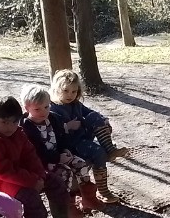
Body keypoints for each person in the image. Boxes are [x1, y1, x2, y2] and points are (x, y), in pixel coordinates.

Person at [0, 96, 83, 218]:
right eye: (4, 122)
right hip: (3, 184)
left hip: (26, 176)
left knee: (56, 183)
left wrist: (40, 175)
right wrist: (32, 181)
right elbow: (3, 171)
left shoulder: (18, 133)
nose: (10, 127)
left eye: (14, 122)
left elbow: (31, 155)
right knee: (32, 200)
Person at [20, 84, 106, 218]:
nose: (43, 112)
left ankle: (88, 198)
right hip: (42, 163)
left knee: (81, 164)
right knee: (65, 173)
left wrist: (66, 150)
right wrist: (57, 157)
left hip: (60, 155)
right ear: (27, 108)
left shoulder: (53, 118)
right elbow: (36, 152)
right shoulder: (26, 127)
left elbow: (62, 137)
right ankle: (67, 206)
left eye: (47, 107)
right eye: (37, 109)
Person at [50, 69, 128, 204]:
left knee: (95, 117)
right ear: (57, 89)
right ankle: (103, 191)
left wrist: (104, 122)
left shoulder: (75, 104)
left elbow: (91, 113)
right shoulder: (53, 108)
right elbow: (51, 130)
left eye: (74, 91)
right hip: (70, 144)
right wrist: (67, 126)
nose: (70, 95)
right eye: (66, 91)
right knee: (98, 152)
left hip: (82, 137)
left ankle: (110, 149)